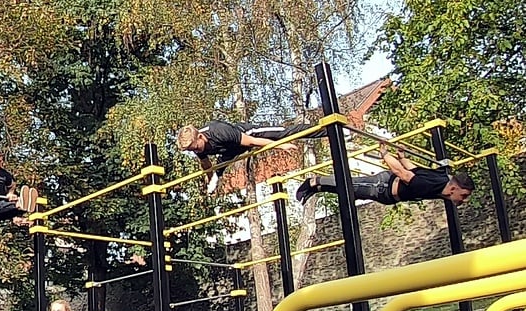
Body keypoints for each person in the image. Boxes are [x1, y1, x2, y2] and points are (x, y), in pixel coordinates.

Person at [296, 144, 474, 206]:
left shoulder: (443, 177)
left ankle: (318, 188)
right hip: (382, 187)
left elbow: (415, 169)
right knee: (348, 185)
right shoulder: (431, 186)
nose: (463, 200)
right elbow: (402, 173)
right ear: (453, 188)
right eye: (463, 195)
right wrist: (385, 155)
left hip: (388, 195)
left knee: (349, 193)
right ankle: (313, 181)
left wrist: (403, 158)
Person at [176, 121, 322, 193]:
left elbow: (252, 142)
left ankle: (327, 129)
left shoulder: (220, 131)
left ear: (200, 137)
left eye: (195, 147)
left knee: (284, 133)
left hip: (248, 135)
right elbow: (206, 164)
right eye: (191, 150)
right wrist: (210, 180)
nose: (195, 150)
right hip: (229, 151)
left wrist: (281, 145)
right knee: (220, 165)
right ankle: (216, 178)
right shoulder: (195, 145)